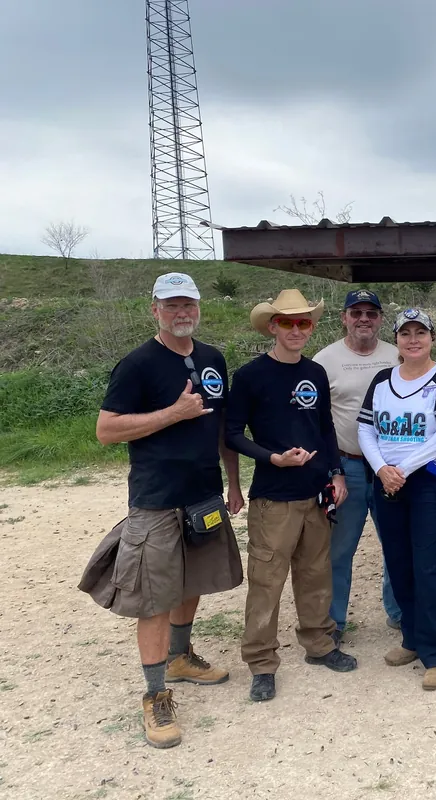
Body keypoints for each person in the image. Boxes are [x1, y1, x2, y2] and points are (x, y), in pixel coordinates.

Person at [85, 272, 244, 749]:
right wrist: (170, 415)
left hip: (203, 494)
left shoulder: (212, 358)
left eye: (188, 304)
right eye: (172, 305)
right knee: (155, 596)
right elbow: (106, 430)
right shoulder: (137, 364)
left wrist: (233, 482)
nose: (182, 313)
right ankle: (155, 694)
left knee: (192, 580)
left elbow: (219, 428)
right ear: (154, 309)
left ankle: (180, 656)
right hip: (155, 498)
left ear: (198, 308)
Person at [225, 289, 357, 703]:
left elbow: (325, 430)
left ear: (312, 327)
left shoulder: (315, 373)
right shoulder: (249, 376)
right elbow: (230, 434)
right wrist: (272, 458)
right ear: (272, 326)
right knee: (267, 581)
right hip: (273, 496)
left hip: (316, 492)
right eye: (287, 322)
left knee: (316, 573)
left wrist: (336, 473)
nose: (296, 330)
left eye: (304, 322)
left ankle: (319, 644)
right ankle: (262, 663)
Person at [357, 308, 436, 691]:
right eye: (406, 333)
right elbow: (366, 430)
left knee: (431, 566)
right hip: (387, 482)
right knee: (399, 561)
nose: (413, 339)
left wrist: (402, 468)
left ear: (432, 338)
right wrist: (381, 469)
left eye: (421, 332)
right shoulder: (382, 380)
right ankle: (412, 638)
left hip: (428, 485)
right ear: (397, 340)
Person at [313, 288, 402, 639]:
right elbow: (317, 420)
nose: (364, 319)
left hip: (390, 469)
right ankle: (334, 621)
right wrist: (330, 470)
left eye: (371, 313)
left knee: (396, 543)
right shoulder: (325, 360)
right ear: (344, 318)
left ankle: (398, 612)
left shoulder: (397, 356)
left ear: (380, 319)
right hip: (345, 466)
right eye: (356, 312)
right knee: (339, 549)